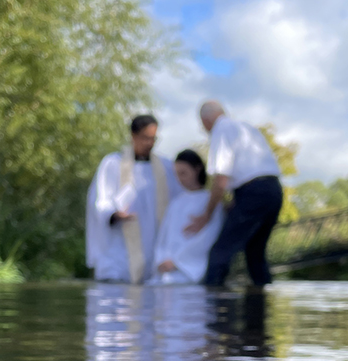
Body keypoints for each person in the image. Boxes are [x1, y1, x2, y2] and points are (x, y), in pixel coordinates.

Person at [184, 100, 283, 287]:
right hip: (274, 191)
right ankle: (263, 300)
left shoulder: (220, 130)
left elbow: (220, 180)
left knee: (220, 251)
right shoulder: (246, 128)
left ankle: (212, 301)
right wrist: (237, 201)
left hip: (253, 193)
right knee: (255, 253)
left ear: (205, 120)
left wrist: (207, 215)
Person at [86, 115, 180, 283]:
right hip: (119, 246)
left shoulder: (165, 166)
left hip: (154, 242)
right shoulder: (112, 163)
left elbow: (179, 200)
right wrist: (113, 215)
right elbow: (99, 199)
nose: (150, 143)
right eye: (145, 138)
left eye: (153, 138)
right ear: (133, 136)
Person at [150, 149, 224, 285]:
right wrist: (161, 260)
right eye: (177, 174)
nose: (180, 179)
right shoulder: (176, 203)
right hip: (166, 272)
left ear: (197, 169)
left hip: (188, 272)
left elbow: (209, 237)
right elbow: (163, 237)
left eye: (184, 173)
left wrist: (177, 263)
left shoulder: (209, 202)